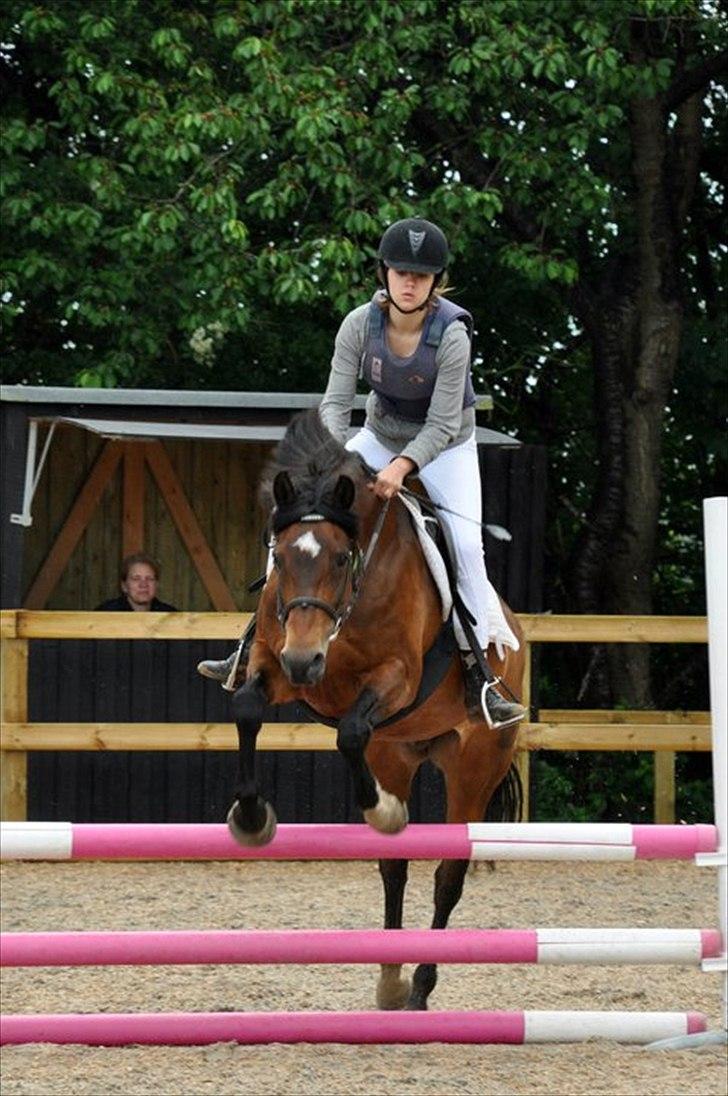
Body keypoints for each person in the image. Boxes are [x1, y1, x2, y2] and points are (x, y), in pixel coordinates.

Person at [198, 217, 524, 730]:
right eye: (400, 272)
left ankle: (481, 676)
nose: (409, 283)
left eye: (421, 275)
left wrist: (401, 466)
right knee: (303, 518)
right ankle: (249, 646)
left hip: (445, 448)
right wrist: (328, 458)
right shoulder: (358, 324)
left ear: (437, 282)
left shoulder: (452, 335)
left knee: (465, 548)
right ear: (385, 274)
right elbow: (334, 403)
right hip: (378, 433)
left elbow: (440, 423)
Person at [96, 553, 177, 612]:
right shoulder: (105, 613)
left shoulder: (170, 615)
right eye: (136, 579)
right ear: (124, 586)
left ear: (156, 584)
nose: (143, 584)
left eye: (149, 578)